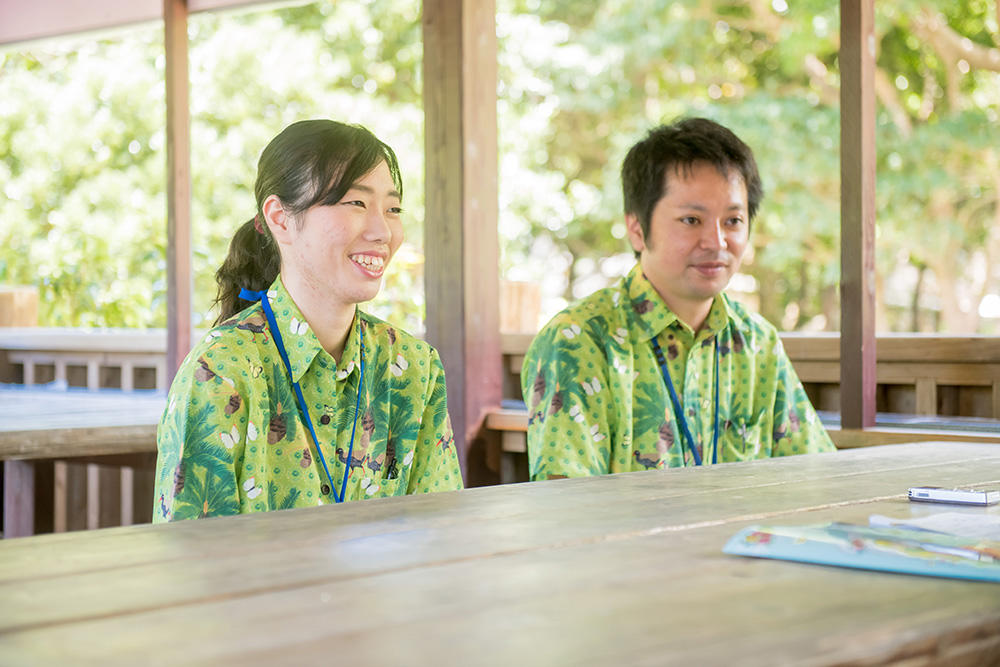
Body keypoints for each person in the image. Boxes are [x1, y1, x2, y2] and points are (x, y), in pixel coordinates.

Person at [154, 120, 462, 521]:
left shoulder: (414, 369)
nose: (382, 230)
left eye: (393, 209)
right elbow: (188, 562)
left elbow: (441, 536)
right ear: (281, 219)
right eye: (356, 203)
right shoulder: (221, 372)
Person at [521, 117, 834, 480]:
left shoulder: (756, 342)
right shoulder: (577, 341)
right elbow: (564, 507)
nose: (716, 242)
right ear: (637, 229)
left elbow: (817, 477)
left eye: (733, 221)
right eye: (691, 220)